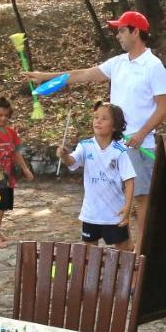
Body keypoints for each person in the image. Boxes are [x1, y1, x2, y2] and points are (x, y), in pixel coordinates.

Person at [24, 10, 166, 249]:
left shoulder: (154, 67)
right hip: (116, 145)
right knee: (116, 199)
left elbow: (165, 106)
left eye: (122, 30)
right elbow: (83, 74)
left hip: (139, 146)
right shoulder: (118, 63)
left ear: (136, 31)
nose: (118, 36)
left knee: (142, 201)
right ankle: (127, 252)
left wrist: (142, 133)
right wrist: (45, 77)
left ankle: (143, 258)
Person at [58, 100, 137, 250]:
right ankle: (91, 274)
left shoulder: (119, 151)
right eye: (96, 117)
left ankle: (128, 271)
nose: (98, 121)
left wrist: (127, 207)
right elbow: (72, 162)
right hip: (91, 214)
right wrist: (64, 156)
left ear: (115, 126)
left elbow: (129, 180)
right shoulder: (85, 146)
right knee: (89, 253)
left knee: (124, 249)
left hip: (114, 214)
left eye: (104, 118)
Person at [0, 96, 35, 248]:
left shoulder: (11, 133)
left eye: (6, 115)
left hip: (7, 175)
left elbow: (16, 153)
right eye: (0, 115)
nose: (3, 118)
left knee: (3, 204)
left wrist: (25, 169)